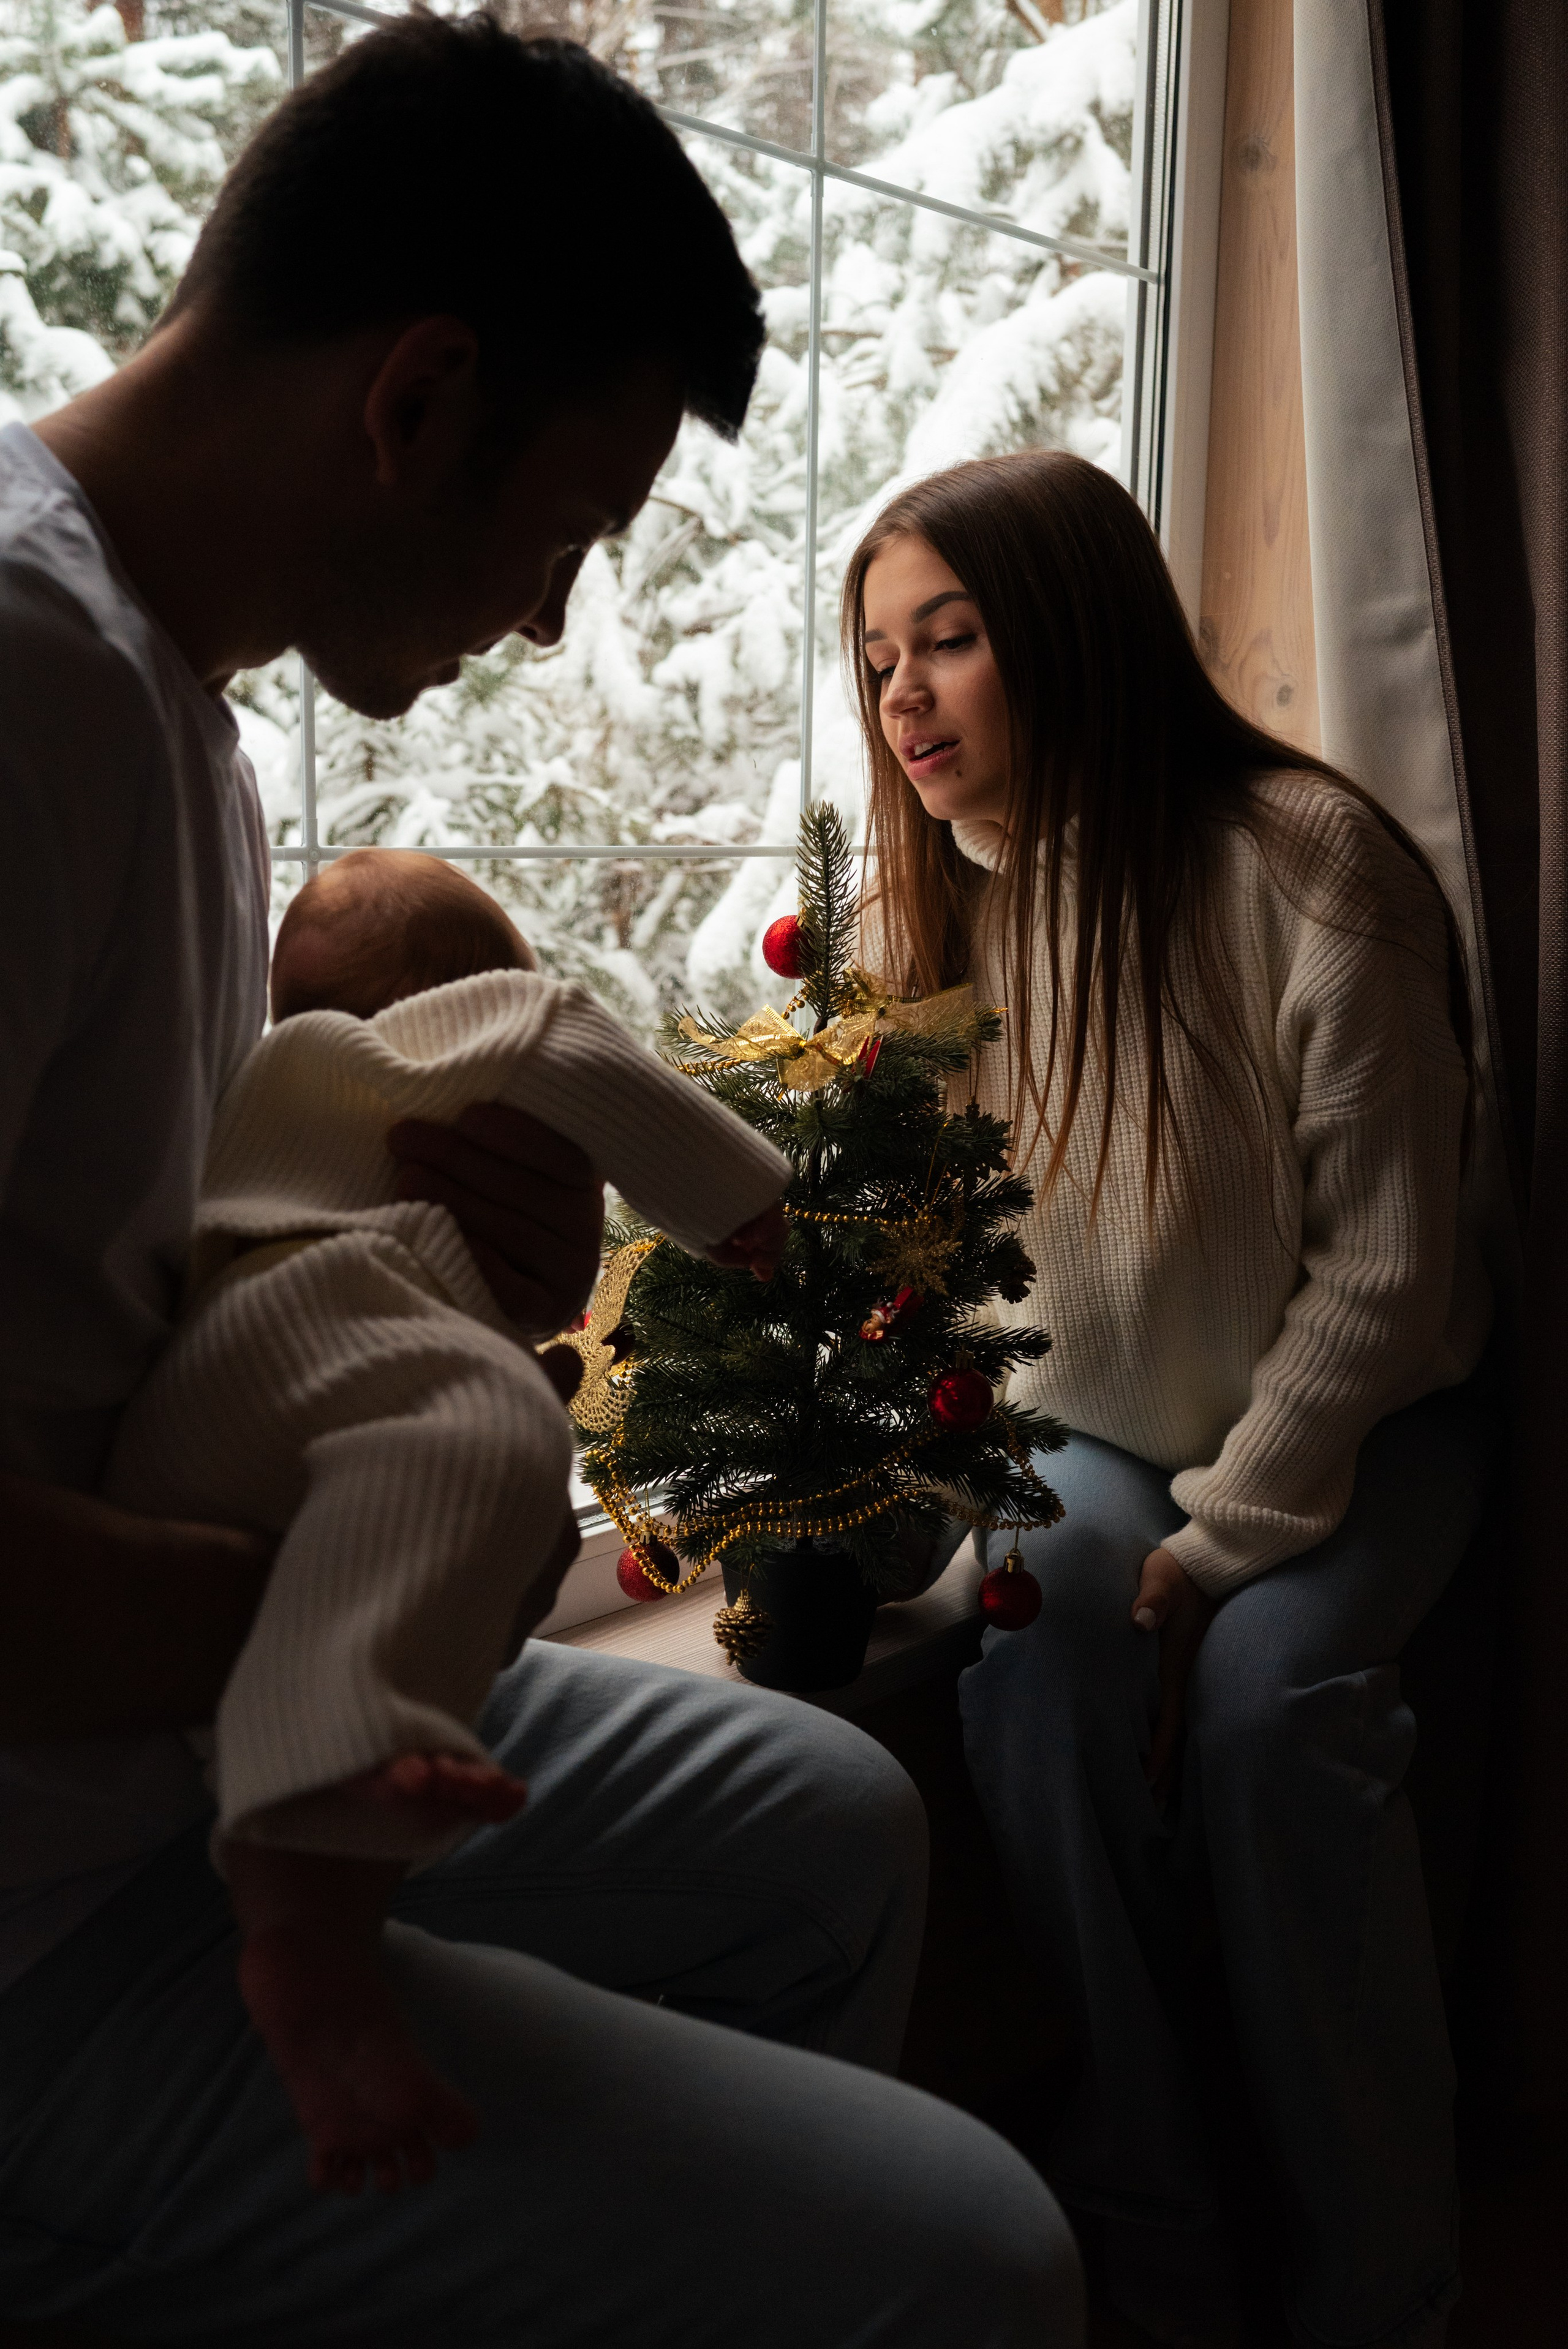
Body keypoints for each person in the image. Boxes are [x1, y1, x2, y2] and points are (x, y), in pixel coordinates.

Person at [0, 20, 1084, 2345]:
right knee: (981, 2258)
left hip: (173, 1722)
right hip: (44, 1901)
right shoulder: (23, 693)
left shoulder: (173, 721)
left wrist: (393, 1252)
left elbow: (100, 1303)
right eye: (571, 531)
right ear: (417, 399)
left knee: (832, 1835)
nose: (547, 622)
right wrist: (340, 1611)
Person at [846, 449, 1493, 2349]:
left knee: (1271, 1712)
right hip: (1103, 1428)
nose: (904, 696)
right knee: (1036, 1661)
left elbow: (1387, 1279)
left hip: (1363, 1418)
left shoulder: (1309, 861)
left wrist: (1222, 1551)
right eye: (879, 656)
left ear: (1075, 631)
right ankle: (1159, 2215)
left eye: (949, 640)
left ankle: (1382, 2282)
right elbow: (949, 1268)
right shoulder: (944, 924)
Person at [107, 846, 793, 2196]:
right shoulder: (478, 1023)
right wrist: (733, 1197)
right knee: (496, 1426)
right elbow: (575, 1043)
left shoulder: (261, 1087)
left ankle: (303, 1907)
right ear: (478, 985)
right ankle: (309, 1872)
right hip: (328, 1316)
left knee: (386, 1497)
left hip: (201, 1401)